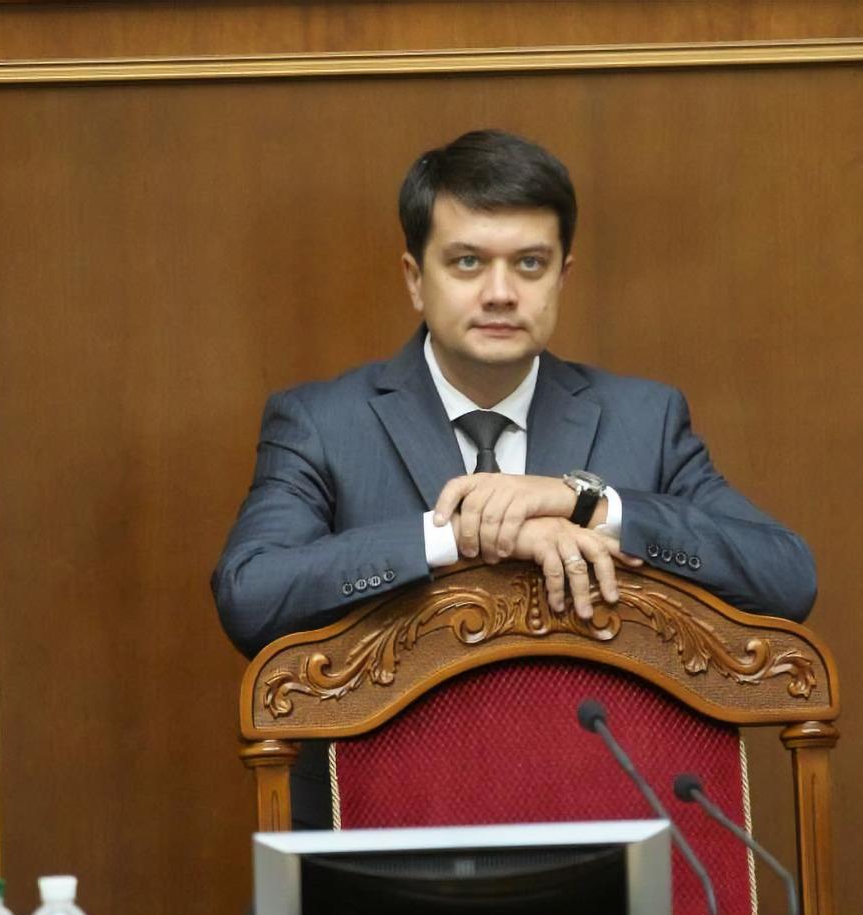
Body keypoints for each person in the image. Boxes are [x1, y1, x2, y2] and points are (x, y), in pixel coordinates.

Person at [213, 127, 815, 655]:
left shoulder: (645, 419)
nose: (500, 294)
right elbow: (250, 598)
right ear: (415, 280)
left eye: (529, 264)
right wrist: (458, 536)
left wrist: (586, 504)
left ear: (562, 278)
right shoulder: (323, 424)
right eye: (467, 263)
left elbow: (786, 578)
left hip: (598, 750)